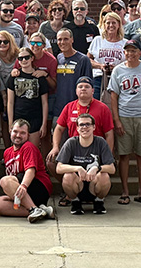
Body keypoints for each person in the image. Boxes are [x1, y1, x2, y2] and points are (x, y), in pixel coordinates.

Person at [108, 41, 141, 205]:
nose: (130, 54)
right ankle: (124, 192)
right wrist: (116, 120)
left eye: (133, 51)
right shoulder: (118, 70)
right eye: (127, 51)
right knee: (123, 155)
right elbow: (113, 97)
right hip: (124, 116)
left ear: (139, 52)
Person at [49, 76, 113, 206]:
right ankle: (71, 192)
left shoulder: (102, 108)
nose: (83, 89)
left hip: (94, 153)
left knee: (104, 174)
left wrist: (108, 154)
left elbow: (109, 133)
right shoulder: (69, 107)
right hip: (74, 152)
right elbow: (59, 128)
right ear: (76, 91)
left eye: (87, 86)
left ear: (93, 91)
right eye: (80, 86)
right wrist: (55, 147)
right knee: (51, 162)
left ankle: (96, 194)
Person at [0, 120, 54, 223]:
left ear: (28, 135)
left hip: (37, 185)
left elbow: (31, 170)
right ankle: (41, 211)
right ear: (10, 131)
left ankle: (33, 208)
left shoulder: (28, 147)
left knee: (5, 181)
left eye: (23, 133)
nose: (18, 135)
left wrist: (24, 186)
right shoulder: (7, 152)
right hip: (22, 189)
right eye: (15, 131)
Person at [56, 113, 116, 214]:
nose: (85, 127)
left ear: (94, 127)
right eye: (81, 125)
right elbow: (59, 168)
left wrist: (97, 168)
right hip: (77, 185)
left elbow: (112, 168)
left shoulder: (100, 142)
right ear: (77, 128)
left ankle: (99, 202)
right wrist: (77, 168)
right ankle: (75, 203)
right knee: (67, 176)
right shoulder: (71, 143)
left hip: (94, 185)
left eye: (88, 124)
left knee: (104, 175)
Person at [7, 47, 50, 148]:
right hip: (18, 117)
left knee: (32, 150)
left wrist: (44, 124)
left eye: (26, 57)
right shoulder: (14, 77)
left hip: (35, 118)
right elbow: (10, 102)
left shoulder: (39, 77)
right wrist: (10, 123)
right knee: (18, 150)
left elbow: (45, 103)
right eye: (21, 58)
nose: (24, 60)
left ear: (32, 58)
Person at [52, 28, 93, 120]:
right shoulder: (59, 58)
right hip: (59, 109)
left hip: (76, 110)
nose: (62, 42)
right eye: (59, 39)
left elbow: (87, 87)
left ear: (72, 40)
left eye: (66, 39)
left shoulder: (83, 60)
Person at [88, 12, 127, 101]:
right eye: (108, 23)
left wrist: (117, 68)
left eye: (113, 23)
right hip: (99, 78)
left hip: (118, 78)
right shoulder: (97, 40)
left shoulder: (125, 43)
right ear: (104, 25)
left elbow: (129, 62)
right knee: (97, 104)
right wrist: (100, 66)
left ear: (118, 25)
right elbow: (88, 59)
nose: (111, 25)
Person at [0, 31, 19, 146]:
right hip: (1, 91)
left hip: (18, 91)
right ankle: (8, 150)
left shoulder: (18, 55)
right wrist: (4, 94)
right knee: (5, 120)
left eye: (5, 42)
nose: (2, 44)